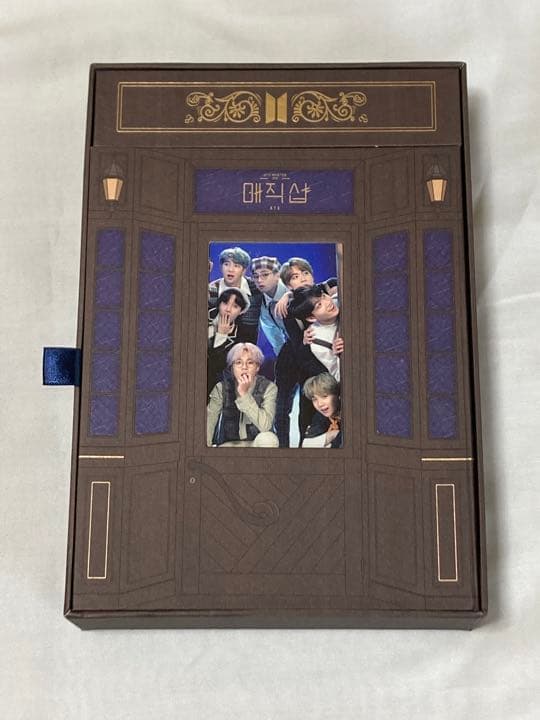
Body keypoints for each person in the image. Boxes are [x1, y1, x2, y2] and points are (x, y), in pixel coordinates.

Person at [207, 342, 279, 447]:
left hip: (257, 444)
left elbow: (265, 426)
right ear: (232, 367)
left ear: (257, 367)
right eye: (238, 362)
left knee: (269, 439)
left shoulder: (269, 388)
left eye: (250, 363)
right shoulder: (221, 388)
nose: (244, 367)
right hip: (229, 445)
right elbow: (209, 422)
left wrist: (244, 395)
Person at [288, 284, 343, 381]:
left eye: (324, 296)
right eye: (319, 305)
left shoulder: (339, 300)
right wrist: (338, 356)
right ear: (311, 318)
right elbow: (338, 378)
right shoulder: (316, 341)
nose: (328, 302)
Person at [208, 247, 262, 344]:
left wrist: (287, 296)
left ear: (244, 270)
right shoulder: (211, 291)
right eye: (226, 264)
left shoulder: (256, 288)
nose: (230, 269)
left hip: (248, 346)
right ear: (221, 267)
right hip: (219, 344)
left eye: (236, 266)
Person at [207, 288, 250, 399]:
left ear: (241, 311)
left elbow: (217, 366)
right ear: (219, 304)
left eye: (235, 306)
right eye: (225, 303)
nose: (228, 309)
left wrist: (221, 335)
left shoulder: (239, 337)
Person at [250, 255, 288, 355]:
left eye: (265, 274)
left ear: (277, 275)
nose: (259, 280)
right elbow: (277, 342)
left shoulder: (292, 289)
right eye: (256, 276)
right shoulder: (263, 306)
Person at [301, 373, 342, 448]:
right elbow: (306, 444)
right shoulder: (320, 416)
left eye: (324, 396)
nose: (320, 404)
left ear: (337, 394)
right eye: (314, 399)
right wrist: (333, 434)